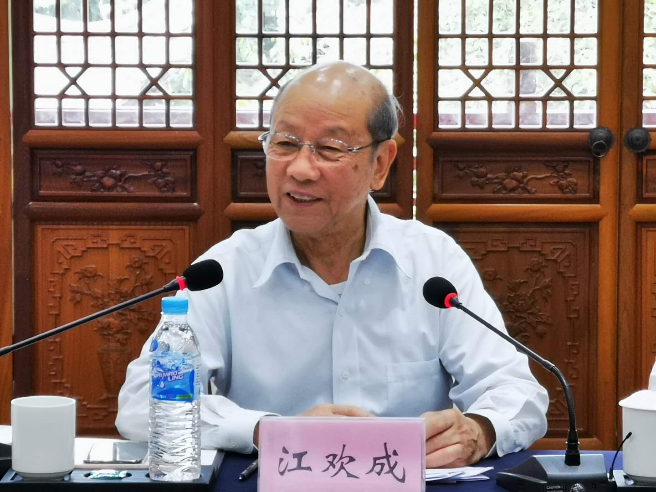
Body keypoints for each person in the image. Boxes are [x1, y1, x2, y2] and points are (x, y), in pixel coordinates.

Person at [116, 61, 548, 468]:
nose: (301, 169)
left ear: (380, 164)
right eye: (285, 144)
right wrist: (269, 431)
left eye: (329, 148)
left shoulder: (432, 261)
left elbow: (516, 391)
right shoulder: (224, 271)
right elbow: (141, 404)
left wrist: (479, 431)